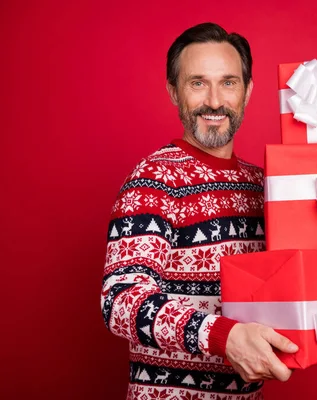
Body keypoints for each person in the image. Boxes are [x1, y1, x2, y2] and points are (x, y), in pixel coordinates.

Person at [101, 22, 298, 400]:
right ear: (174, 92)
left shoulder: (265, 187)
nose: (213, 101)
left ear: (248, 90)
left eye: (228, 82)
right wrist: (222, 337)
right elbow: (120, 301)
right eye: (197, 83)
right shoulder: (153, 180)